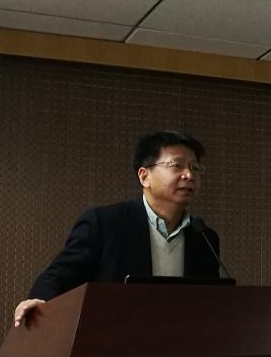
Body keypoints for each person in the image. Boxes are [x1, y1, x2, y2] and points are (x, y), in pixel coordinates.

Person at [13, 130, 222, 329]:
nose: (189, 175)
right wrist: (40, 301)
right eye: (177, 165)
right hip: (111, 343)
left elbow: (210, 303)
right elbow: (58, 277)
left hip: (181, 346)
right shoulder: (105, 224)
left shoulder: (203, 237)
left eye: (195, 168)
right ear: (144, 176)